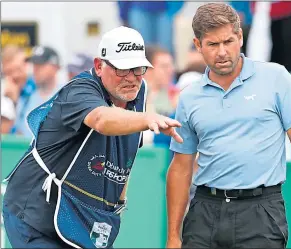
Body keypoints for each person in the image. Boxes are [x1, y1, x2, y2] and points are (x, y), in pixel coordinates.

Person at [2, 26, 183, 248]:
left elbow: (125, 159)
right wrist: (148, 119)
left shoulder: (139, 90)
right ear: (99, 66)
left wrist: (118, 206)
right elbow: (102, 120)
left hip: (79, 213)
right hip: (33, 213)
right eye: (122, 69)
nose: (131, 78)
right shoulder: (79, 89)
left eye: (138, 68)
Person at [165, 3, 291, 248]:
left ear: (240, 37)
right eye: (213, 44)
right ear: (198, 45)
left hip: (261, 211)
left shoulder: (276, 77)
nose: (222, 52)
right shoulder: (189, 97)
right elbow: (181, 167)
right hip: (204, 210)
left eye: (228, 41)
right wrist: (173, 236)